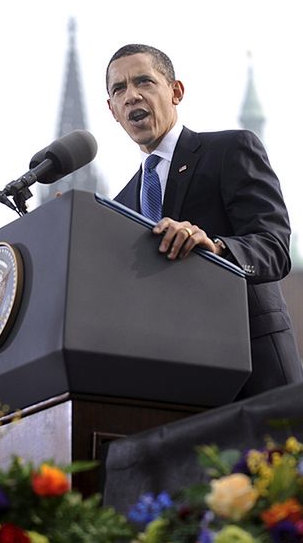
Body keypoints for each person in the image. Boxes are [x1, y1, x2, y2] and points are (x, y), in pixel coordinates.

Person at [106, 43, 302, 400]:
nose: (131, 96)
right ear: (112, 111)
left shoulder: (229, 150)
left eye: (144, 82)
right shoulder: (118, 206)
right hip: (174, 384)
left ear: (176, 91)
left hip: (254, 372)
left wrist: (215, 248)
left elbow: (274, 247)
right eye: (119, 89)